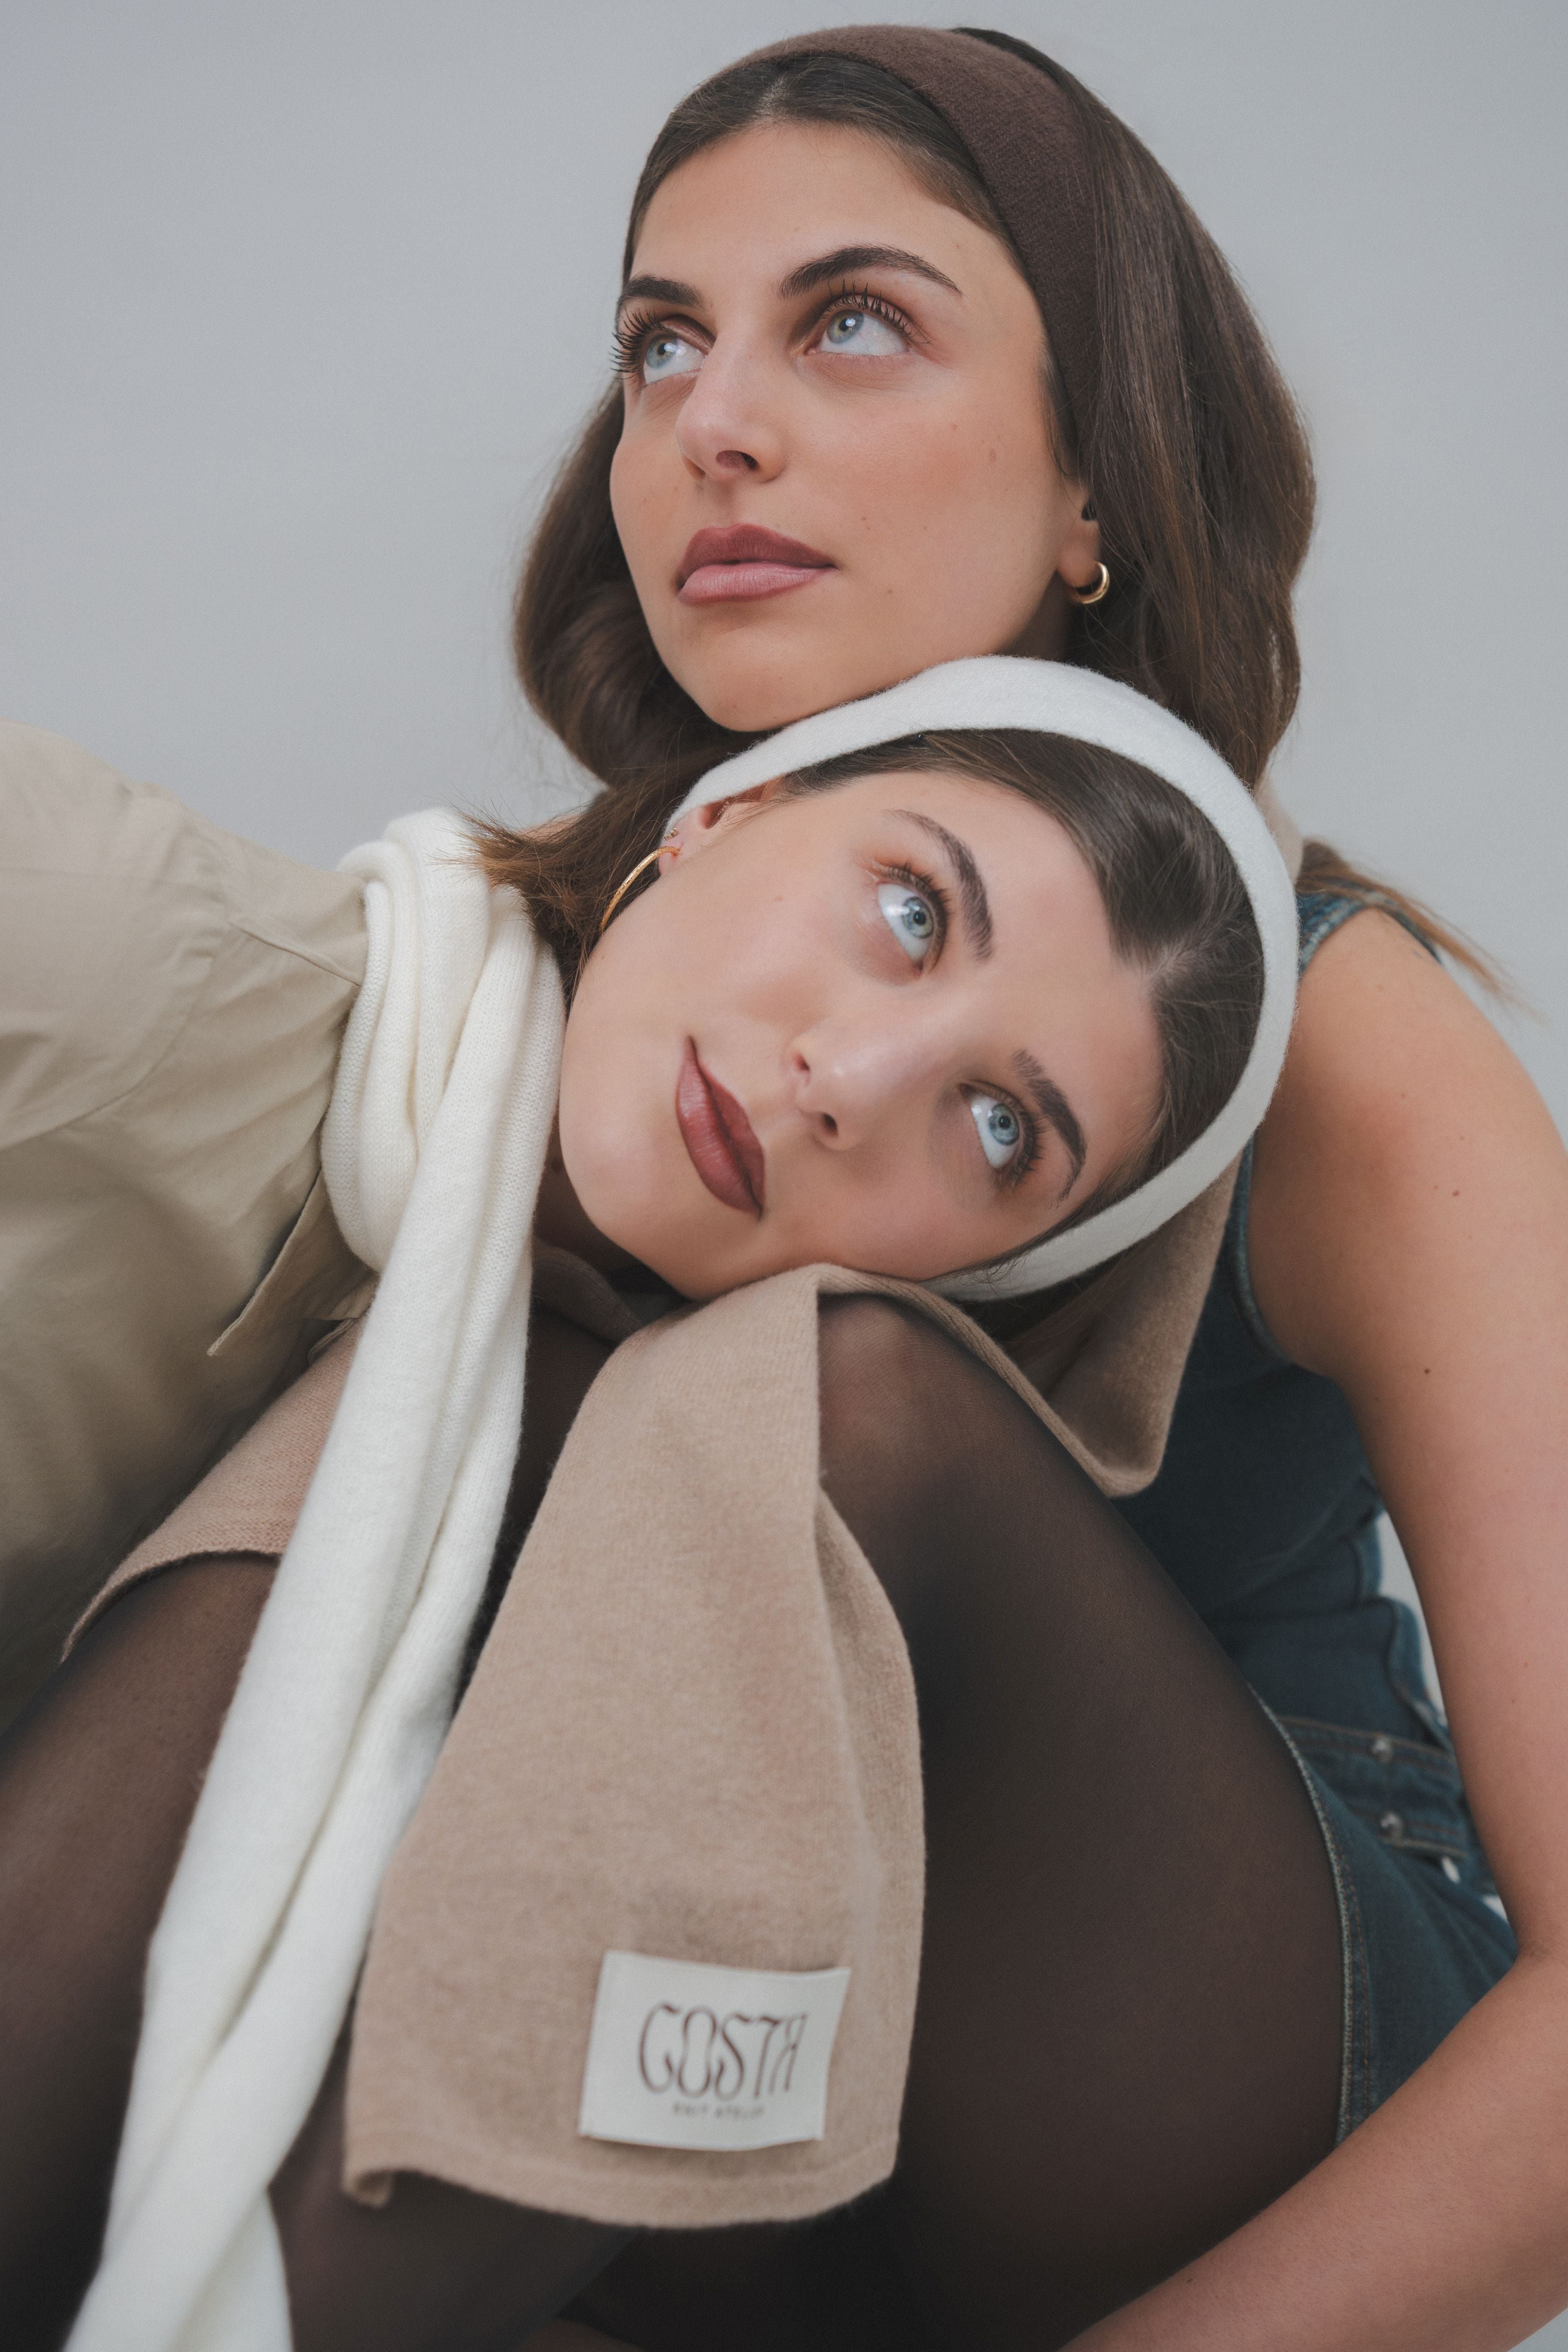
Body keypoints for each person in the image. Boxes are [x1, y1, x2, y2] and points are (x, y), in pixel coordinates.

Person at [2, 26, 1566, 2352]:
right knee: (453, 1387)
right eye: (662, 341)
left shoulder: (1349, 1044)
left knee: (825, 1395)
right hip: (765, 1989)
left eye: (853, 323)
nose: (712, 424)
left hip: (1199, 2042)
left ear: (1093, 493)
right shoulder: (609, 973)